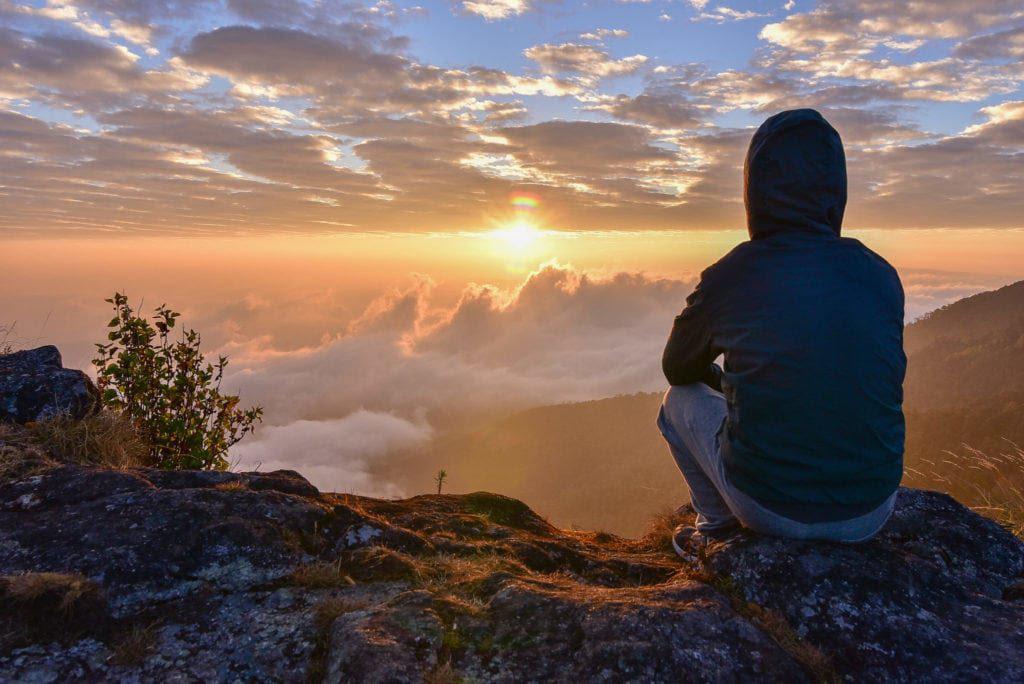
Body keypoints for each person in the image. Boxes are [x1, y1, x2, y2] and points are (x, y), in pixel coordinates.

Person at [657, 108, 906, 557]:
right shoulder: (880, 274)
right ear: (836, 190)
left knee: (676, 403)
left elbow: (677, 368)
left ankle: (715, 531)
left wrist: (728, 383)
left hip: (768, 509)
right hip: (871, 510)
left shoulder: (733, 275)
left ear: (755, 189)